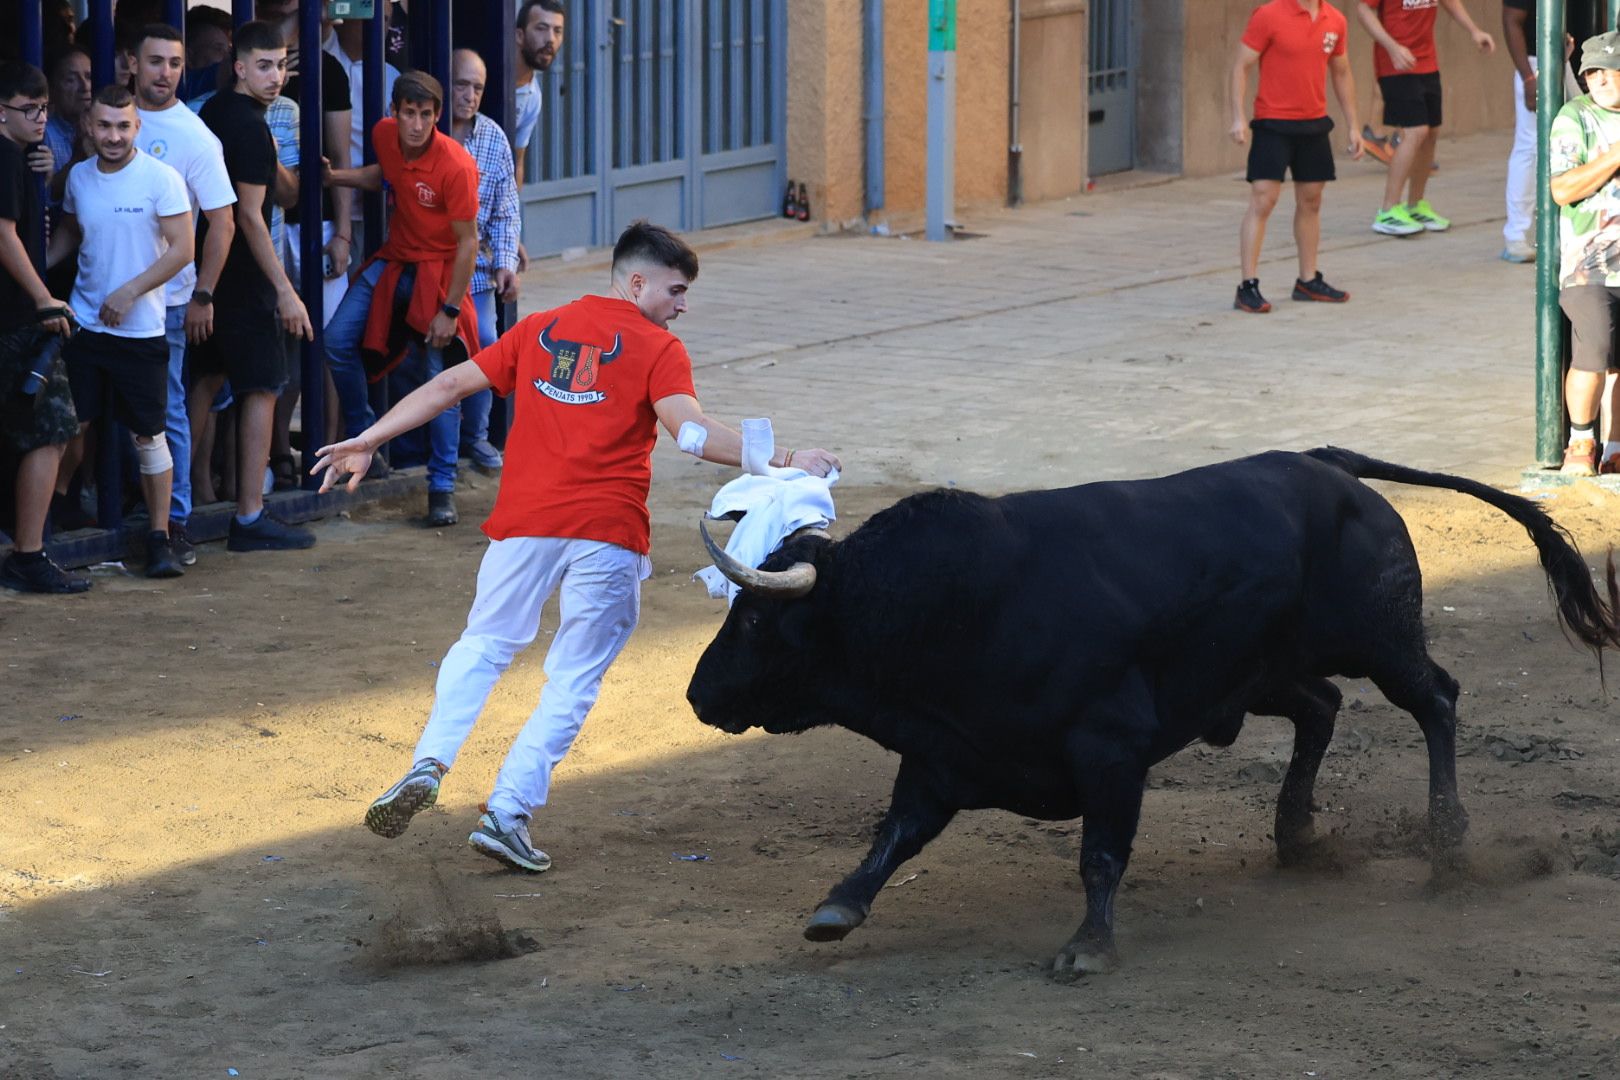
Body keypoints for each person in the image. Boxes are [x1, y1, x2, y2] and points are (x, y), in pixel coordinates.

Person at [313, 221, 841, 873]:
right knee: (574, 677)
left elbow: (450, 387)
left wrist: (369, 438)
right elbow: (693, 437)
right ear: (638, 281)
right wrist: (786, 458)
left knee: (484, 643)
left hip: (524, 522)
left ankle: (430, 758)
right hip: (606, 531)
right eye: (676, 292)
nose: (682, 306)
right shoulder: (656, 347)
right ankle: (508, 811)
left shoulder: (541, 327)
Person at [47, 85, 194, 578]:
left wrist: (130, 292)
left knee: (149, 436)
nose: (113, 136)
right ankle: (59, 510)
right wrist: (37, 273)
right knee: (72, 426)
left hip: (142, 330)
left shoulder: (162, 179)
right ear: (88, 127)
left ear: (138, 126)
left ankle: (158, 537)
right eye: (104, 125)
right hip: (86, 324)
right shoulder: (79, 179)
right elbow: (70, 231)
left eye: (123, 126)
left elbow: (182, 249)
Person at [323, 71, 482, 527]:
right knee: (336, 341)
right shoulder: (384, 135)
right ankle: (364, 435)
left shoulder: (455, 165)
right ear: (395, 112)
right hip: (395, 262)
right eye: (408, 113)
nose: (416, 124)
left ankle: (442, 486)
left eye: (425, 115)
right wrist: (338, 178)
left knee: (443, 382)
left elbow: (468, 243)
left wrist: (450, 310)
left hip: (440, 276)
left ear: (437, 117)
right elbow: (385, 175)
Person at [193, 20, 315, 550]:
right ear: (239, 67)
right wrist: (284, 288)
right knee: (263, 386)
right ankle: (248, 515)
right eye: (263, 65)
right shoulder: (245, 124)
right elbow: (249, 215)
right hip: (243, 278)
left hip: (209, 276)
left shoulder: (217, 110)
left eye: (281, 64)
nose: (276, 76)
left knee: (203, 381)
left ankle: (183, 503)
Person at [128, 23, 238, 564]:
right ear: (132, 63)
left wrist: (204, 295)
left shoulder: (196, 135)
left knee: (167, 408)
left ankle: (173, 519)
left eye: (174, 63)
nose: (165, 72)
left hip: (168, 301)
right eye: (155, 62)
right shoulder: (109, 119)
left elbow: (223, 222)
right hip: (101, 298)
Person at [0, 59, 86, 594]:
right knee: (52, 429)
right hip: (14, 319)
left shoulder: (21, 157)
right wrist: (44, 300)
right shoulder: (7, 157)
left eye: (44, 108)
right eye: (28, 109)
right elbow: (4, 235)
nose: (39, 118)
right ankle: (28, 553)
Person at [1229, 0, 1363, 314]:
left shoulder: (1336, 20)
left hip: (1313, 123)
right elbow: (1241, 66)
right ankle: (1247, 286)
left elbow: (1342, 72)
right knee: (1264, 199)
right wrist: (1237, 117)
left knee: (1311, 200)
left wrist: (1354, 125)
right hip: (1273, 123)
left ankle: (1307, 280)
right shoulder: (1269, 14)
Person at [1358, 0, 1494, 237]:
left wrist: (1474, 30)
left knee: (1430, 132)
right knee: (1416, 131)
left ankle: (1415, 204)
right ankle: (1388, 210)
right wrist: (1392, 47)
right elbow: (1362, 10)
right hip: (1396, 63)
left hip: (1426, 61)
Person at [1549, 30, 1620, 476]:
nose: (1603, 81)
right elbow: (1562, 189)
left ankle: (1615, 449)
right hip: (1589, 264)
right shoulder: (1574, 116)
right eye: (1594, 73)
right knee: (1594, 351)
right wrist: (1614, 157)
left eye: (1612, 73)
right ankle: (1580, 442)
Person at [448, 48, 519, 476]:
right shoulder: (425, 129)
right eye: (461, 84)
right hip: (428, 268)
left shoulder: (493, 137)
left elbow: (506, 210)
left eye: (477, 87)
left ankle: (474, 437)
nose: (470, 95)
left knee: (487, 344)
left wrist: (505, 263)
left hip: (474, 275)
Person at [1502, 2, 1595, 263]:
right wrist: (1528, 77)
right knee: (1531, 145)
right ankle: (1516, 236)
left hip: (1585, 63)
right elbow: (1511, 20)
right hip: (1539, 62)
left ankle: (1568, 235)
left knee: (1586, 143)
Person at [512, 0, 564, 189]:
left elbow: (517, 162)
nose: (550, 39)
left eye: (557, 31)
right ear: (519, 35)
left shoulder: (533, 96)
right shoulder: (483, 78)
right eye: (541, 28)